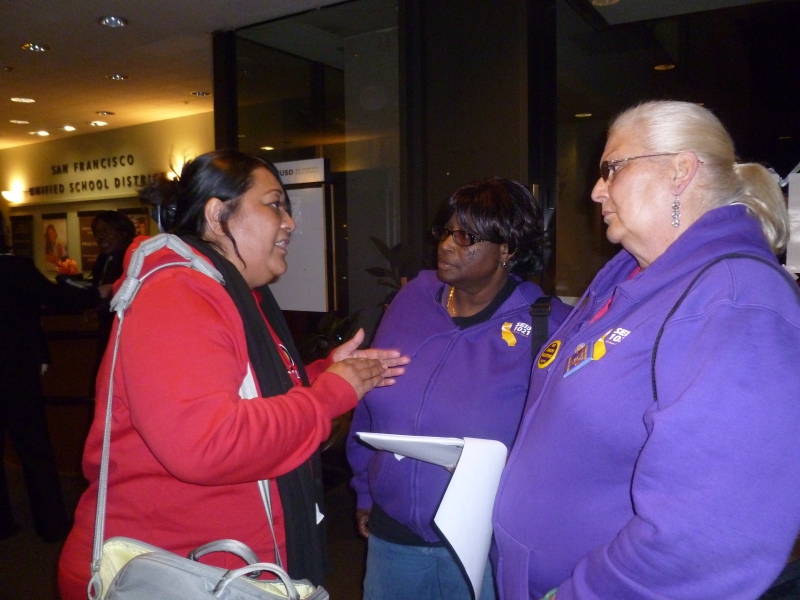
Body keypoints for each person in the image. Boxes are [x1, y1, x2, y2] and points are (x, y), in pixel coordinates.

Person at [58, 150, 410, 598]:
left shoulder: (231, 293)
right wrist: (328, 396)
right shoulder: (177, 294)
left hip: (214, 569)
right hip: (170, 574)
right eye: (274, 203)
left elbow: (251, 396)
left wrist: (329, 373)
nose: (290, 223)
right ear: (217, 213)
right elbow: (207, 443)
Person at [491, 100, 800, 600]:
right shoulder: (628, 276)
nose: (595, 191)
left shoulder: (735, 303)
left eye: (611, 169)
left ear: (680, 171)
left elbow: (711, 536)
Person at [347, 177, 571, 600]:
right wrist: (364, 489)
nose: (447, 245)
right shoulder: (412, 298)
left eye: (466, 236)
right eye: (446, 231)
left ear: (507, 249)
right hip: (393, 539)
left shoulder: (549, 326)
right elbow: (369, 393)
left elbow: (563, 449)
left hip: (483, 549)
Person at [0, 217, 105, 543]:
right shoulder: (14, 268)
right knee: (36, 450)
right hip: (15, 371)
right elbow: (55, 297)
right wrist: (98, 293)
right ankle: (52, 526)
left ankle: (3, 525)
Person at [89, 210, 136, 365]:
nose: (100, 236)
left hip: (125, 332)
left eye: (107, 230)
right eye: (97, 232)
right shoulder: (103, 259)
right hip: (105, 330)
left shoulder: (132, 259)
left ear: (123, 232)